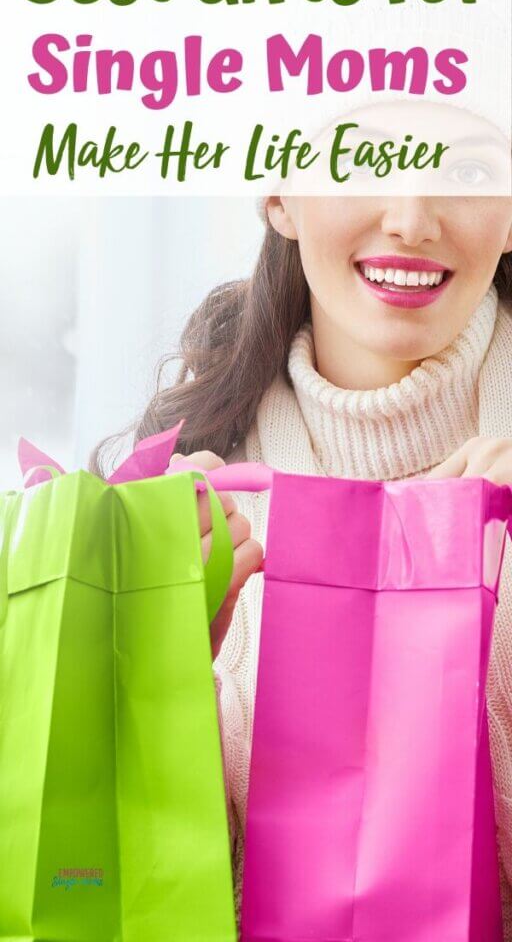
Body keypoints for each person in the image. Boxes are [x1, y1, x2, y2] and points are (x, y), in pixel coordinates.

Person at [92, 184, 512, 934]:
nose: (412, 220)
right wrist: (150, 684)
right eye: (360, 162)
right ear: (279, 195)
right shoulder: (184, 489)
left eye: (464, 168)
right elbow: (95, 885)